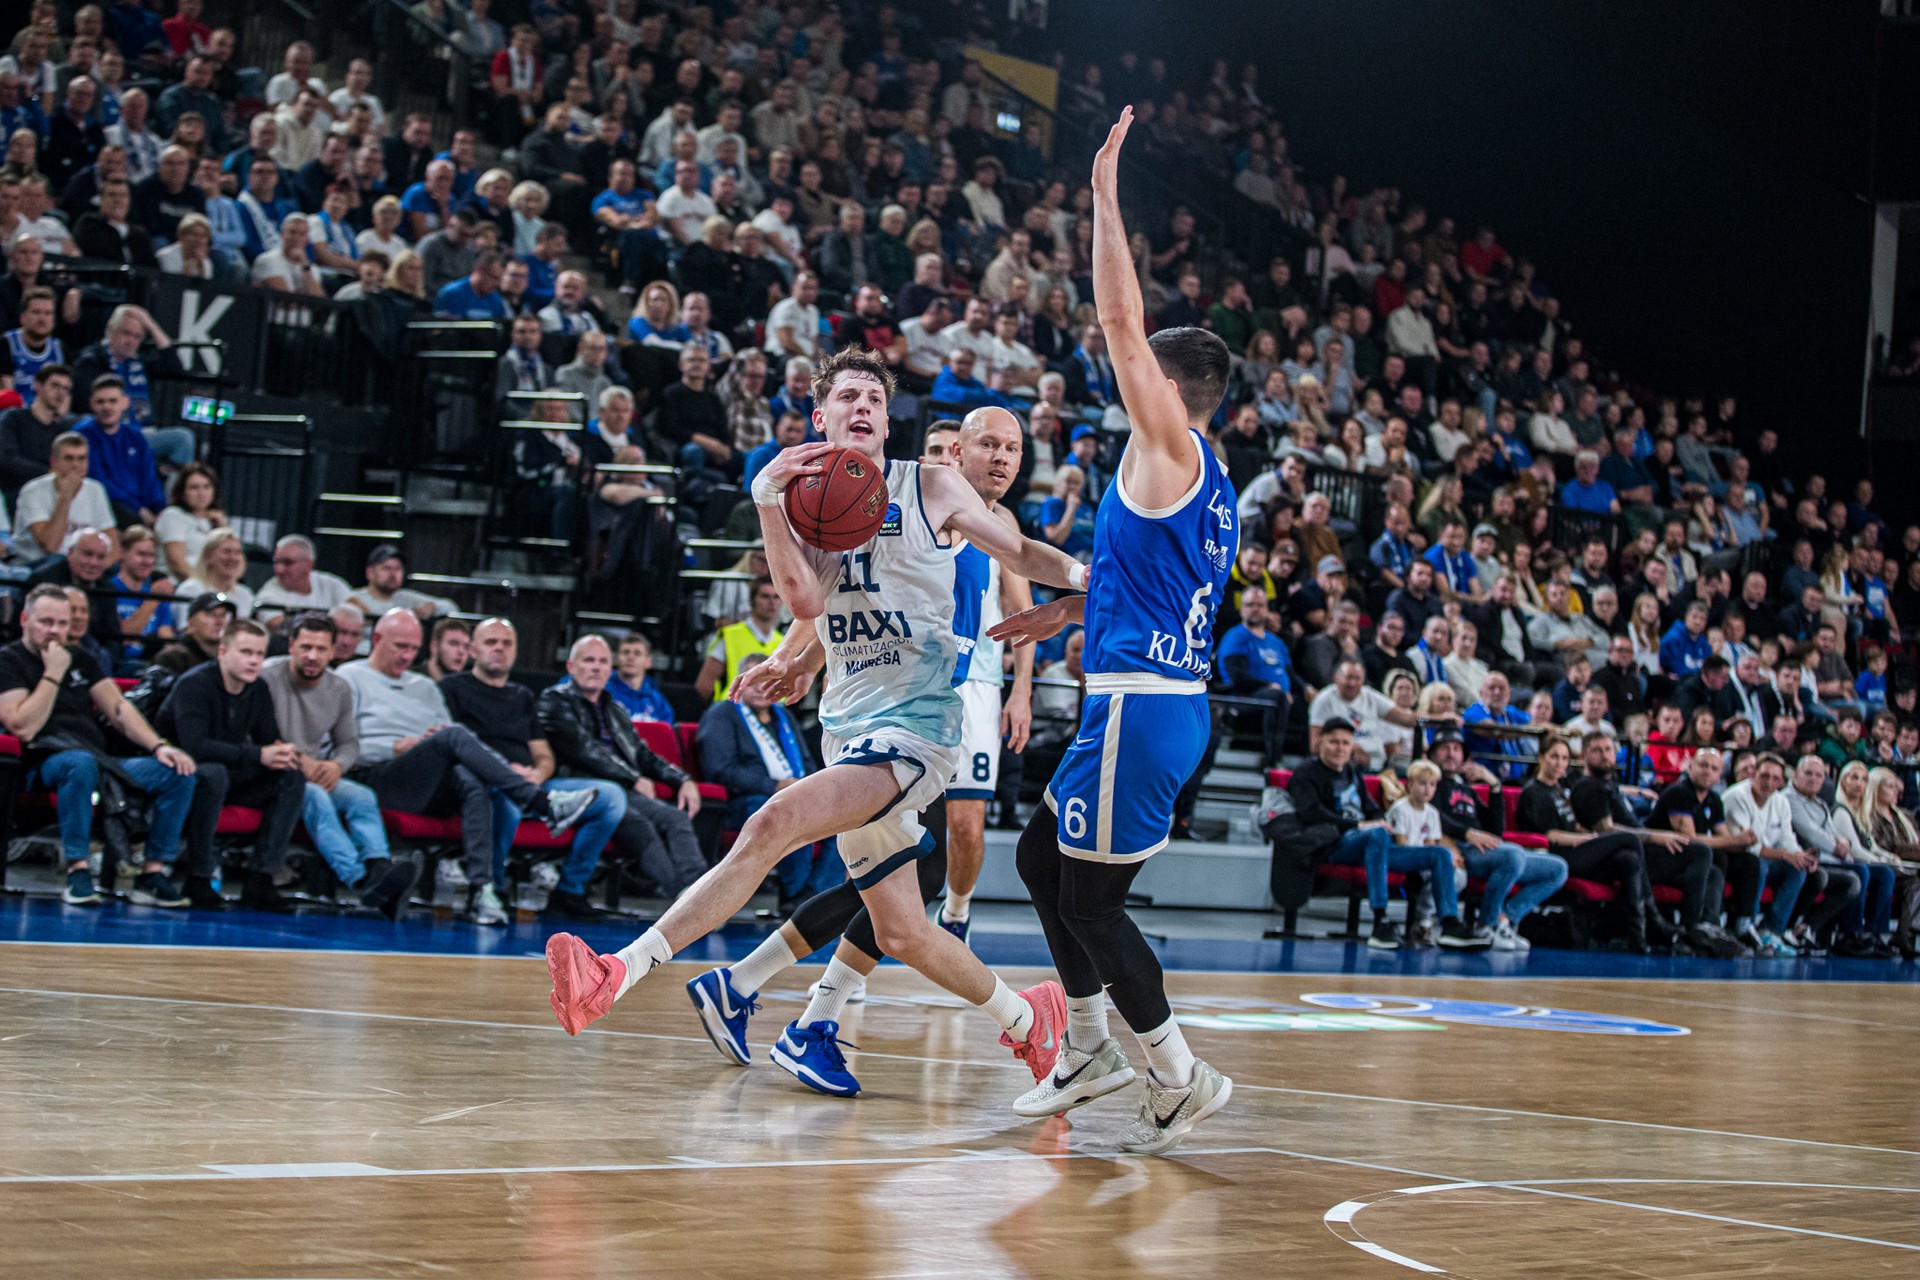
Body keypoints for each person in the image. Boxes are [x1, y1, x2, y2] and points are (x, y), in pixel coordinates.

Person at [545, 345, 1087, 1112]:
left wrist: (1092, 579)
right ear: (820, 417)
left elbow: (1021, 549)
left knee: (774, 822)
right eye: (848, 397)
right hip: (849, 724)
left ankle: (615, 973)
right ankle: (1031, 1019)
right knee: (900, 930)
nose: (863, 407)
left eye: (875, 397)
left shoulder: (929, 483)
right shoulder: (806, 505)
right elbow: (803, 601)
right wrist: (769, 506)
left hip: (919, 727)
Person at [341, 610, 597, 924]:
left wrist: (430, 742)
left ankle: (482, 891)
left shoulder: (425, 687)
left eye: (413, 649)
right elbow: (338, 748)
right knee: (455, 735)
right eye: (400, 647)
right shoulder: (349, 678)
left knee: (470, 777)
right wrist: (393, 747)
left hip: (429, 778)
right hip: (379, 777)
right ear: (376, 639)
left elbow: (447, 738)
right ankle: (540, 803)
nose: (407, 655)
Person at [0, 584, 197, 908]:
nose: (55, 631)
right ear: (24, 619)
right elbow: (23, 727)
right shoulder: (9, 661)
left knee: (178, 772)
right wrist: (53, 673)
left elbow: (119, 710)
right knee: (79, 763)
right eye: (46, 622)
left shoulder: (81, 658)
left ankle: (152, 873)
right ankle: (78, 869)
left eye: (62, 624)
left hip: (97, 757)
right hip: (43, 759)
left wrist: (159, 746)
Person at [442, 620, 628, 921]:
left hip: (533, 786)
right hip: (488, 787)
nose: (500, 648)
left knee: (610, 797)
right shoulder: (452, 688)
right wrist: (509, 776)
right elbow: (450, 749)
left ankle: (570, 889)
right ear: (473, 649)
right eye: (491, 642)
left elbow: (543, 755)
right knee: (508, 800)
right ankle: (493, 889)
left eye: (507, 643)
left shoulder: (523, 696)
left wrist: (538, 774)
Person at [260, 611, 417, 918]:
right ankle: (359, 879)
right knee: (316, 798)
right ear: (291, 645)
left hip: (318, 771)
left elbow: (348, 743)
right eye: (306, 647)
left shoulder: (338, 687)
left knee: (361, 797)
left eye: (321, 649)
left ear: (333, 651)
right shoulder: (266, 676)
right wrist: (299, 760)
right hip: (276, 772)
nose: (312, 656)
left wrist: (336, 766)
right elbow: (258, 732)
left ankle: (378, 868)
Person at [540, 634, 707, 907]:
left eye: (603, 661)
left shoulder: (614, 708)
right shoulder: (555, 700)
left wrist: (683, 779)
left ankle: (700, 891)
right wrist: (633, 778)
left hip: (621, 788)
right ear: (571, 666)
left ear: (610, 669)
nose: (596, 667)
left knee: (676, 818)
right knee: (640, 826)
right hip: (576, 784)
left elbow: (643, 755)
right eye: (589, 660)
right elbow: (583, 750)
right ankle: (686, 903)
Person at [153, 618, 307, 913]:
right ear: (223, 652)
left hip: (226, 771)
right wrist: (258, 755)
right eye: (246, 652)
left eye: (259, 654)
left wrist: (283, 753)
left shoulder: (257, 689)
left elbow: (268, 739)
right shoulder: (194, 684)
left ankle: (262, 878)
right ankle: (198, 877)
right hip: (178, 771)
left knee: (290, 777)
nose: (254, 661)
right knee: (214, 774)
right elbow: (195, 747)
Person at [1512, 735, 1659, 952]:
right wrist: (1590, 839)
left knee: (1628, 860)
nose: (1559, 763)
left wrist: (1585, 833)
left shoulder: (1560, 789)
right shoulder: (1535, 792)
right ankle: (1653, 916)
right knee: (1628, 839)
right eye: (1554, 757)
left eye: (1564, 758)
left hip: (1578, 851)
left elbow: (1572, 823)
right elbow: (1550, 835)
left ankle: (1637, 936)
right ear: (1541, 758)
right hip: (1557, 857)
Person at [1427, 730, 1568, 950]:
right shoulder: (1431, 783)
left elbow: (1495, 830)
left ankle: (1507, 919)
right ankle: (1487, 924)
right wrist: (1467, 833)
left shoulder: (1466, 789)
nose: (1451, 754)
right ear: (1433, 754)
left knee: (1557, 868)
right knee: (1512, 855)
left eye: (1456, 749)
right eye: (1445, 748)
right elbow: (1431, 813)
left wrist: (1495, 786)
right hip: (1459, 848)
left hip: (1486, 849)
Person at [1722, 753, 1834, 957]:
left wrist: (1800, 856)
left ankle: (1772, 930)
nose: (1769, 782)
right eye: (1765, 776)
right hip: (1736, 860)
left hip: (1767, 859)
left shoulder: (1780, 801)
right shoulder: (1736, 796)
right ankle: (1747, 926)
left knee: (1797, 869)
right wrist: (1785, 854)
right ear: (1754, 774)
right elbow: (1746, 845)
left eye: (1775, 778)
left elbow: (1786, 838)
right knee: (1757, 864)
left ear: (1782, 781)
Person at [1782, 753, 1873, 955]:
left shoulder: (1821, 804)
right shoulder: (1787, 799)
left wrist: (1843, 847)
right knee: (1849, 873)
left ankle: (1808, 929)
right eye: (1808, 773)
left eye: (1819, 775)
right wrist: (1837, 848)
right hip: (1797, 860)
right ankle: (1846, 933)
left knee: (1853, 880)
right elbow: (1812, 834)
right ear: (1795, 774)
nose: (1813, 779)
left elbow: (1836, 836)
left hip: (1826, 860)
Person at [1216, 584, 1291, 769]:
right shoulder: (1236, 637)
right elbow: (1237, 677)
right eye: (1250, 605)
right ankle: (1273, 761)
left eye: (1260, 605)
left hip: (1278, 697)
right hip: (1245, 699)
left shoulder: (1276, 641)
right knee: (1277, 698)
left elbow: (1291, 674)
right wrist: (1270, 687)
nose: (1255, 609)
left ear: (1267, 610)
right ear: (1242, 610)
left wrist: (1307, 689)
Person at [15, 432, 115, 560]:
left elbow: (112, 546)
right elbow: (50, 547)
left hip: (82, 565)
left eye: (81, 458)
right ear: (54, 462)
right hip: (38, 565)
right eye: (69, 458)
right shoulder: (33, 491)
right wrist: (65, 497)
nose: (75, 465)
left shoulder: (95, 489)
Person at [695, 575, 783, 701]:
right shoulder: (730, 635)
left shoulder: (783, 641)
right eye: (765, 596)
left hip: (772, 713)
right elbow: (704, 684)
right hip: (733, 710)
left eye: (777, 597)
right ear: (752, 601)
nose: (772, 602)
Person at [252, 534, 351, 631]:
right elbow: (278, 625)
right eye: (276, 562)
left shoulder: (332, 585)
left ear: (309, 565)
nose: (279, 569)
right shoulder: (268, 594)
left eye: (288, 562)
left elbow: (356, 610)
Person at [345, 543, 457, 623]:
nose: (393, 574)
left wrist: (433, 607)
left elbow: (451, 607)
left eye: (398, 569)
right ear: (370, 573)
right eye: (386, 568)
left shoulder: (404, 598)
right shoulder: (355, 599)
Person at [606, 631, 673, 722]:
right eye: (626, 652)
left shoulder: (659, 702)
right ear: (616, 658)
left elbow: (666, 733)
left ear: (648, 662)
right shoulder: (603, 693)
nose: (630, 657)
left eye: (637, 653)